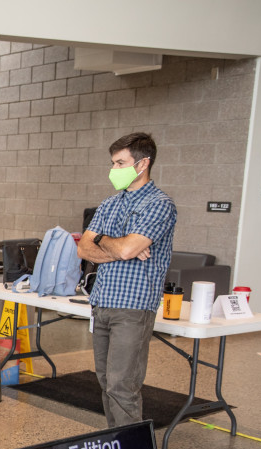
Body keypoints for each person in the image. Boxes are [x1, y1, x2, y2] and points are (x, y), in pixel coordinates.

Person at [77, 132, 177, 428]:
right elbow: (84, 248)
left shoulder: (159, 204)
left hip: (133, 307)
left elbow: (126, 248)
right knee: (106, 381)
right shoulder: (109, 204)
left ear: (143, 163)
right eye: (113, 163)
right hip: (102, 303)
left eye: (120, 163)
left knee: (123, 385)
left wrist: (104, 240)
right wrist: (117, 248)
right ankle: (116, 443)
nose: (114, 170)